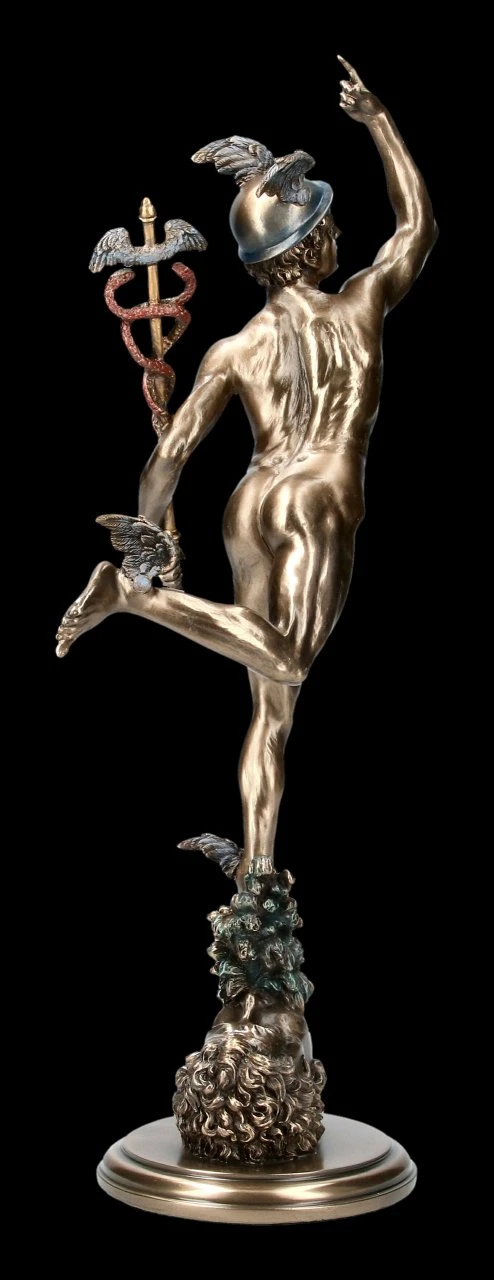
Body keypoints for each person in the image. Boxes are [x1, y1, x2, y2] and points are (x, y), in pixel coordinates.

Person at [56, 57, 438, 887]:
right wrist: (377, 120)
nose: (340, 234)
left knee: (271, 700)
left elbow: (168, 457)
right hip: (319, 500)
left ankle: (258, 869)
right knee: (290, 658)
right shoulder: (361, 306)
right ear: (314, 243)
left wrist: (156, 533)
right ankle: (134, 602)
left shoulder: (234, 349)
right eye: (329, 224)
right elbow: (416, 226)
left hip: (249, 501)